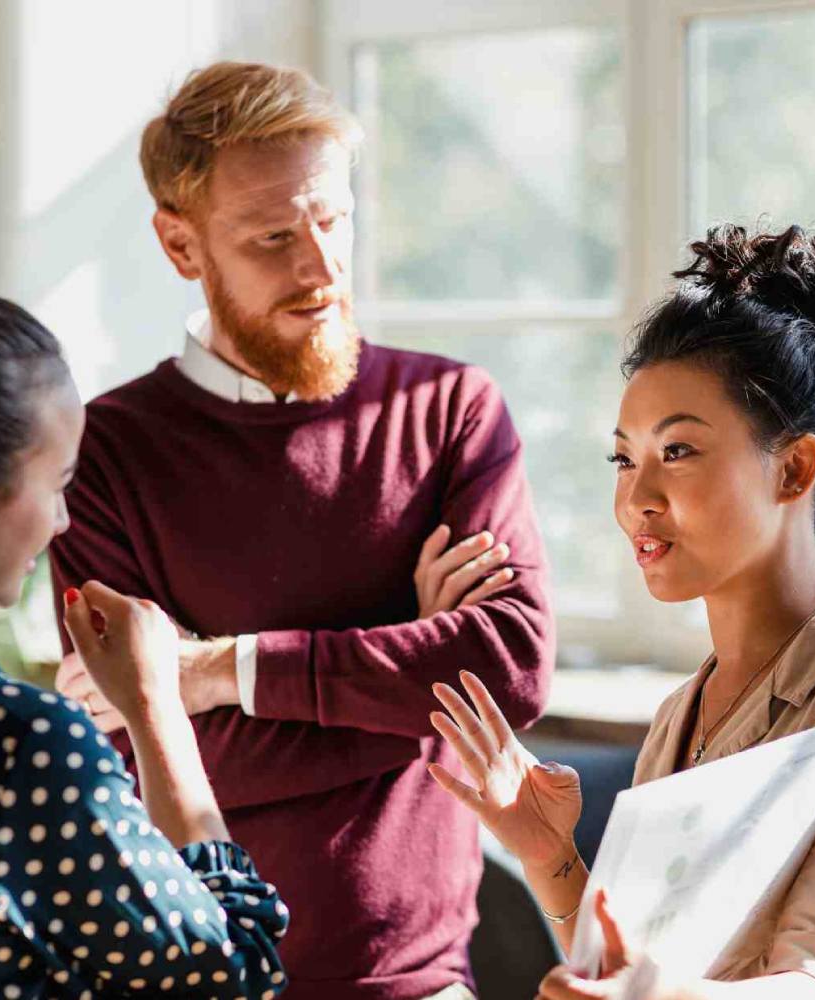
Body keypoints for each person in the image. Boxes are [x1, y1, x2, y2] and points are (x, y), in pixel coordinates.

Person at [49, 61, 555, 1000]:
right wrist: (410, 676)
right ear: (180, 245)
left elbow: (509, 672)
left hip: (425, 986)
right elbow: (135, 755)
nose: (319, 267)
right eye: (275, 236)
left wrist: (209, 673)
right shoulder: (103, 453)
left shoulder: (448, 409)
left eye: (332, 220)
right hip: (201, 984)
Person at [430, 224, 815, 1000]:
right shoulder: (680, 713)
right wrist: (551, 857)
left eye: (679, 452)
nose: (636, 500)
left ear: (794, 467)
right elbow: (623, 965)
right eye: (624, 458)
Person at [0, 264, 289, 998]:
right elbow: (229, 976)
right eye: (58, 485)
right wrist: (155, 707)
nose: (61, 522)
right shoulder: (11, 747)